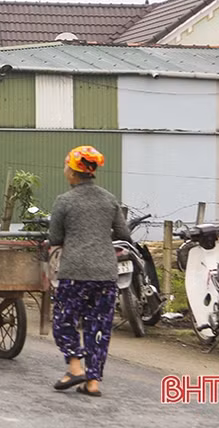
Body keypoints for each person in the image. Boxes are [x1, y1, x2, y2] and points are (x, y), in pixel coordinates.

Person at [50, 145, 132, 398]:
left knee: (63, 321)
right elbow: (124, 233)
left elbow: (55, 237)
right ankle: (93, 382)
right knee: (98, 327)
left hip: (75, 273)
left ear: (73, 172)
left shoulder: (64, 201)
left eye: (66, 165)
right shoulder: (109, 199)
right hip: (106, 274)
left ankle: (75, 368)